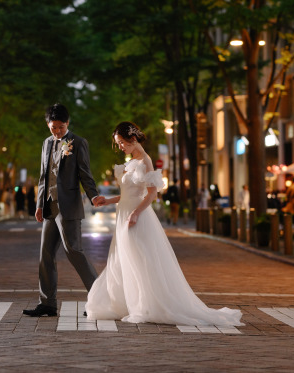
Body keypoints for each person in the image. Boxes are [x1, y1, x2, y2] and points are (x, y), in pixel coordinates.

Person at [86, 121, 243, 327]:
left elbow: (151, 194)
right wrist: (107, 200)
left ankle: (146, 304)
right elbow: (128, 194)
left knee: (140, 260)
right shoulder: (131, 162)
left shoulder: (145, 161)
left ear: (132, 139)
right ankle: (128, 302)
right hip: (125, 213)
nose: (120, 147)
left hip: (137, 217)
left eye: (122, 142)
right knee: (124, 258)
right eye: (118, 144)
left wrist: (135, 213)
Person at [22, 103, 103, 318]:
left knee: (74, 251)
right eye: (53, 128)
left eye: (61, 127)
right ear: (48, 125)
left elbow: (85, 173)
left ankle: (101, 298)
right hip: (50, 206)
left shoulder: (78, 142)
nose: (57, 131)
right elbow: (43, 176)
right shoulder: (46, 143)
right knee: (45, 254)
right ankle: (47, 303)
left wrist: (93, 195)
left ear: (67, 123)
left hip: (68, 206)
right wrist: (39, 205)